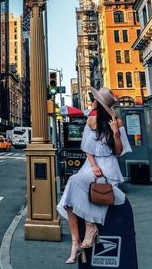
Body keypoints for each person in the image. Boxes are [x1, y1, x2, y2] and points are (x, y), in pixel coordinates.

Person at [57, 87, 132, 264]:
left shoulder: (117, 122)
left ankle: (89, 229)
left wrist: (115, 133)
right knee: (70, 193)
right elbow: (86, 148)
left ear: (100, 104)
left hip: (110, 167)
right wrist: (94, 165)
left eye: (95, 100)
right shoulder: (91, 120)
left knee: (75, 187)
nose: (93, 102)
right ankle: (76, 240)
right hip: (92, 166)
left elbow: (119, 152)